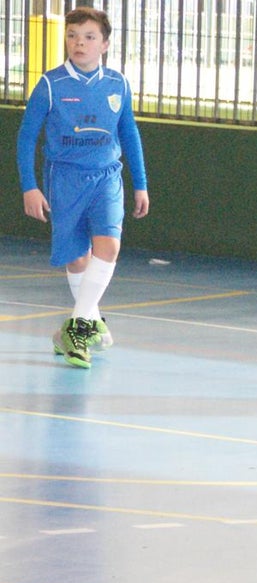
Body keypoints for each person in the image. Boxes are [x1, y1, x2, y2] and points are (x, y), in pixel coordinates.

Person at [16, 7, 149, 369]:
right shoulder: (50, 85)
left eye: (89, 37)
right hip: (64, 179)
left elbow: (129, 133)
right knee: (77, 258)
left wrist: (140, 184)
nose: (80, 43)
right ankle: (90, 320)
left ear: (104, 44)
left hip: (106, 177)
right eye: (73, 36)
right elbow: (26, 137)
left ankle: (76, 329)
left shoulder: (117, 84)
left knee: (109, 246)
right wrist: (29, 187)